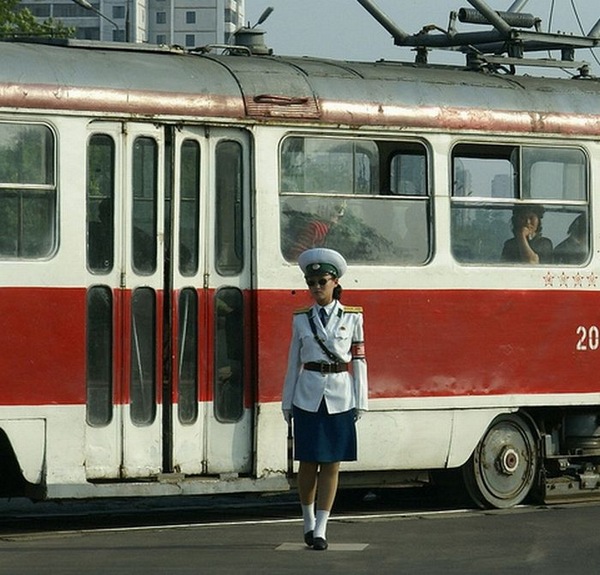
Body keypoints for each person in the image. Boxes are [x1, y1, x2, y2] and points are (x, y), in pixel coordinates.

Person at [282, 248, 368, 551]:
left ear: (335, 282)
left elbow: (359, 360)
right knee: (307, 462)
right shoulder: (301, 319)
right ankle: (306, 520)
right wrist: (286, 401)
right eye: (311, 282)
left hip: (341, 394)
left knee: (332, 463)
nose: (316, 287)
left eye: (322, 281)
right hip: (307, 394)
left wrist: (362, 400)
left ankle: (321, 528)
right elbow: (293, 361)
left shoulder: (353, 317)